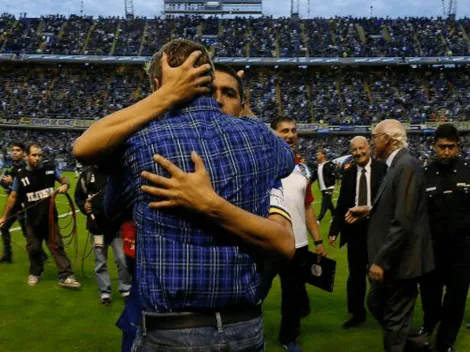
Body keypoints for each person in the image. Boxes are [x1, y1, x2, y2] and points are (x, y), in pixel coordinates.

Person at [86, 39, 295, 351]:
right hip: (245, 327)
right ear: (207, 80)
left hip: (171, 330)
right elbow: (287, 161)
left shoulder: (142, 143)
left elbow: (111, 207)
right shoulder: (262, 138)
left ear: (157, 84)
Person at [345, 119, 434, 352]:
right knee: (375, 302)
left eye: (374, 137)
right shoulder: (396, 164)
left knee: (394, 325)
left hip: (400, 263)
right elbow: (398, 207)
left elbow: (404, 220)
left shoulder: (406, 165)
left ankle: (405, 341)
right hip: (395, 260)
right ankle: (412, 342)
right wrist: (370, 211)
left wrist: (381, 262)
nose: (372, 142)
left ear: (386, 138)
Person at [260, 116, 326, 352]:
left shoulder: (302, 168)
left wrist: (317, 240)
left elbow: (308, 207)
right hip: (268, 243)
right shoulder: (261, 163)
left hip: (298, 246)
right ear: (273, 134)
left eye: (293, 131)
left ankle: (289, 337)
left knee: (293, 297)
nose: (290, 135)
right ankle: (248, 333)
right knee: (256, 293)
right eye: (284, 131)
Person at [418, 124, 470, 352]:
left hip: (462, 250)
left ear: (458, 147)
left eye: (451, 147)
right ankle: (430, 324)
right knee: (430, 297)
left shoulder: (468, 171)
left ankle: (446, 342)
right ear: (434, 146)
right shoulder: (424, 173)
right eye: (442, 147)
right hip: (432, 250)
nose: (446, 152)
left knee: (456, 299)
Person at [0, 144, 81, 288]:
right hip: (31, 219)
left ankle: (66, 275)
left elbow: (64, 179)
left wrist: (65, 185)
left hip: (50, 218)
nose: (37, 158)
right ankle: (35, 273)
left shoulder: (50, 169)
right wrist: (4, 216)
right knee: (34, 248)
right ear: (27, 157)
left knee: (56, 246)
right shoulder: (21, 175)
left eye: (39, 155)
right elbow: (13, 197)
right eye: (34, 155)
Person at [329, 136, 387, 329]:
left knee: (379, 274)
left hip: (377, 231)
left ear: (368, 148)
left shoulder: (382, 169)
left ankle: (383, 310)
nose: (358, 153)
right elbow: (342, 204)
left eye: (361, 148)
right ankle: (357, 313)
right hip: (355, 232)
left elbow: (388, 200)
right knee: (355, 276)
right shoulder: (348, 173)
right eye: (354, 150)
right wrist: (334, 229)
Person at [74, 165, 131, 305]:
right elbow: (78, 197)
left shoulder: (116, 172)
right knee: (100, 262)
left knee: (122, 260)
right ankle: (105, 293)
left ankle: (126, 289)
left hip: (116, 226)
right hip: (97, 227)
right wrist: (83, 207)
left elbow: (126, 195)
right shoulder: (87, 174)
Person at [0, 142, 28, 263]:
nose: (14, 152)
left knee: (27, 232)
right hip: (15, 205)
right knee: (4, 227)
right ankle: (7, 255)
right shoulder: (15, 167)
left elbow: (25, 187)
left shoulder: (26, 167)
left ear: (23, 153)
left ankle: (41, 255)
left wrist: (11, 182)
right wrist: (4, 182)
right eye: (13, 150)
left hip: (24, 205)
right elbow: (10, 188)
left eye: (17, 150)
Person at [316, 150, 337, 222]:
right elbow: (314, 177)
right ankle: (335, 215)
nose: (317, 156)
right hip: (323, 188)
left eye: (319, 154)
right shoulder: (318, 166)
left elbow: (333, 175)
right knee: (329, 204)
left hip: (329, 188)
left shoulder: (328, 164)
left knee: (324, 204)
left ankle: (318, 219)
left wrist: (332, 187)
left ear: (323, 155)